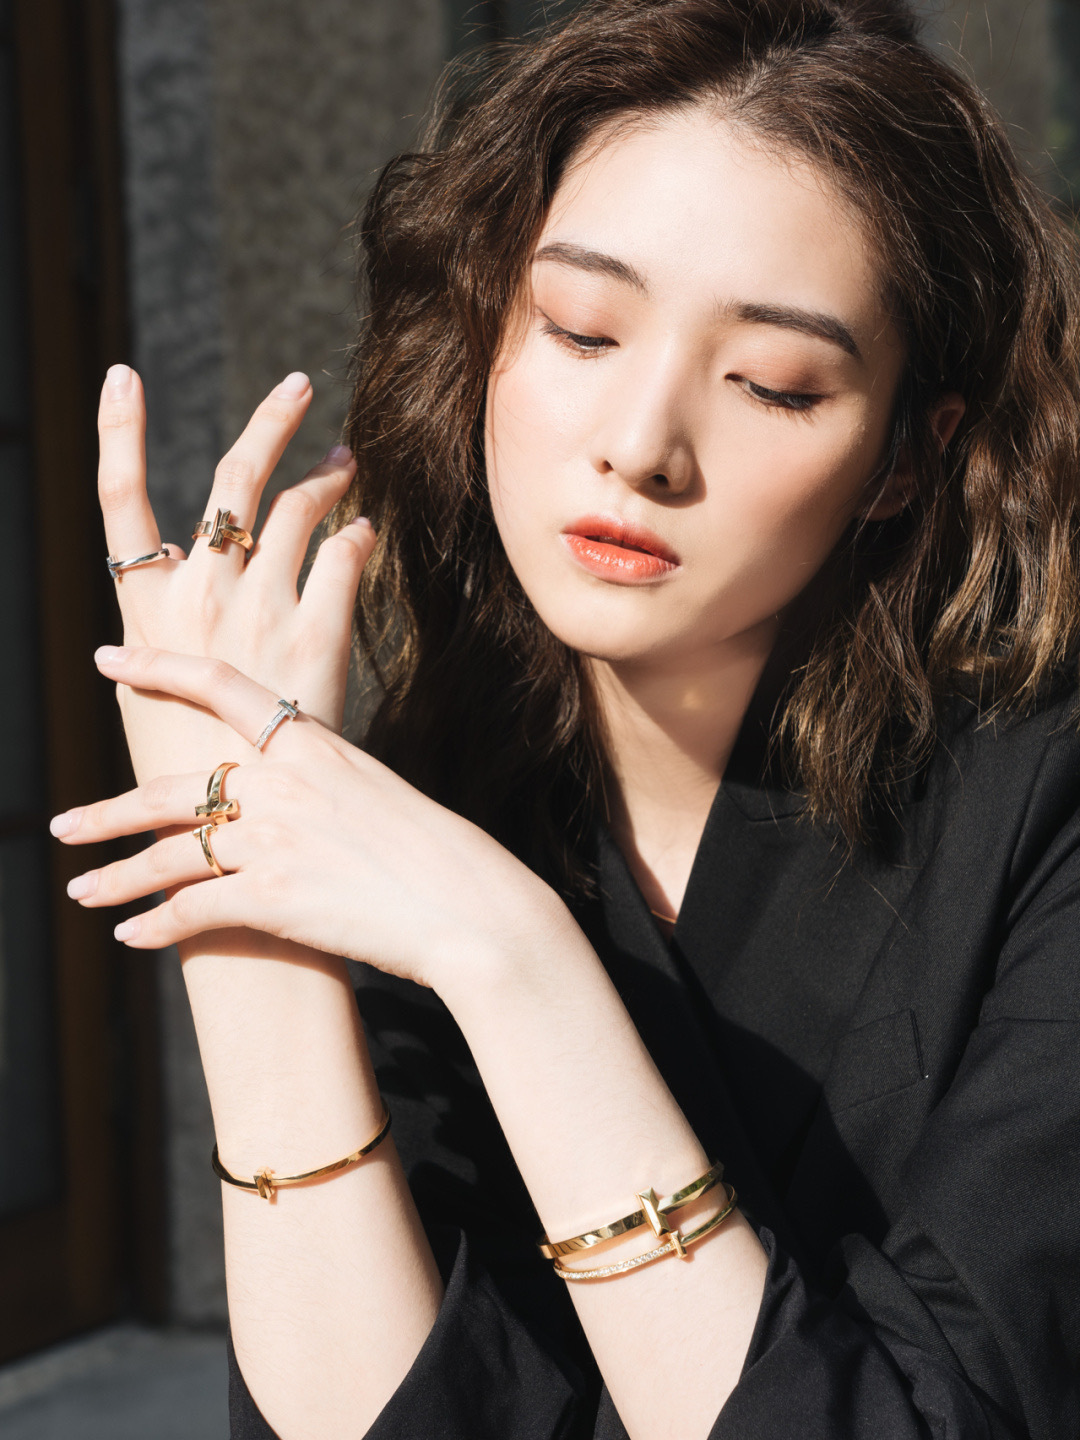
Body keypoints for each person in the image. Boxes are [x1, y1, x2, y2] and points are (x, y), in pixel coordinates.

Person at [51, 0, 1080, 1435]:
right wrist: (243, 936)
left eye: (776, 385)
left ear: (909, 455)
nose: (641, 445)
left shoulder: (1040, 810)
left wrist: (516, 963)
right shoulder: (437, 799)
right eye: (582, 330)